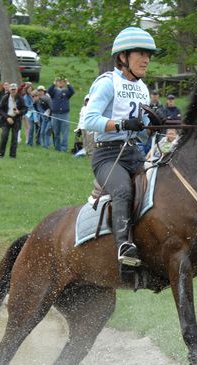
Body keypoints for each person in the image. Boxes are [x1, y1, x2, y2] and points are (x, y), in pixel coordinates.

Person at [83, 26, 159, 266]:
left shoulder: (143, 89)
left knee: (160, 186)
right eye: (140, 54)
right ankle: (123, 246)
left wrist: (152, 126)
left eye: (148, 55)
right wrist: (122, 124)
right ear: (123, 57)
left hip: (133, 153)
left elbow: (143, 133)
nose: (146, 59)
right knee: (123, 190)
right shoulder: (107, 83)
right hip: (107, 155)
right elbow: (90, 120)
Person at [0, 83, 25, 158]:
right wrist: (7, 117)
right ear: (9, 90)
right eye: (12, 89)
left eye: (14, 89)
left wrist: (19, 112)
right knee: (4, 136)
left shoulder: (20, 98)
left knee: (14, 138)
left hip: (16, 119)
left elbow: (25, 108)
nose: (13, 91)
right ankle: (0, 154)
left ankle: (12, 155)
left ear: (17, 90)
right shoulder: (5, 97)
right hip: (6, 119)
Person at [48, 76, 75, 152]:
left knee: (64, 133)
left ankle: (64, 148)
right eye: (59, 81)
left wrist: (68, 83)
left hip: (64, 114)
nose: (60, 82)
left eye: (62, 81)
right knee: (56, 132)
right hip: (55, 114)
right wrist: (54, 83)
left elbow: (72, 91)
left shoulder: (66, 92)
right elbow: (49, 91)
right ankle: (57, 147)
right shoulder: (54, 91)